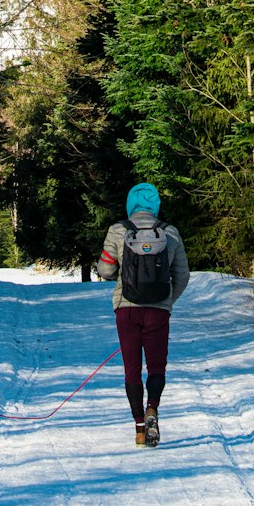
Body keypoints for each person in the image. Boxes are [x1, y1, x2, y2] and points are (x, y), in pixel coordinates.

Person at [96, 182, 189, 446]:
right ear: (156, 204)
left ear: (130, 203)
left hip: (126, 309)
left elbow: (105, 270)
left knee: (132, 369)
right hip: (158, 310)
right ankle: (153, 409)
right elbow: (181, 275)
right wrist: (167, 301)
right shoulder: (170, 232)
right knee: (157, 365)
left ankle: (139, 428)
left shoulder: (118, 230)